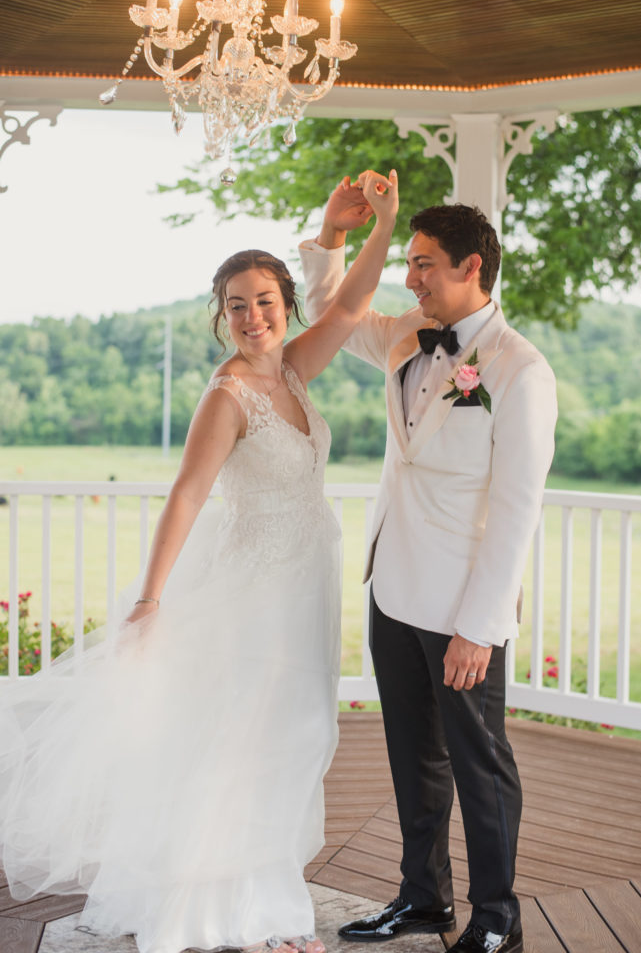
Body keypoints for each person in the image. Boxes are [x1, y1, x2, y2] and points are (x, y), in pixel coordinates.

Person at [0, 169, 398, 953]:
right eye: (238, 305)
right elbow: (185, 496)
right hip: (252, 597)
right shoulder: (230, 395)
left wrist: (369, 226)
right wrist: (148, 601)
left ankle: (268, 904)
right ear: (224, 317)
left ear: (285, 307)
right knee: (251, 745)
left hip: (302, 591)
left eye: (266, 301)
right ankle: (236, 916)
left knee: (296, 738)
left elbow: (350, 305)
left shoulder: (290, 372)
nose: (253, 317)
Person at [299, 185, 557, 953]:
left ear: (473, 267)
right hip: (394, 590)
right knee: (413, 757)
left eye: (423, 266)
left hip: (461, 608)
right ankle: (423, 900)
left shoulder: (520, 371)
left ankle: (498, 918)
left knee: (480, 766)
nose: (410, 279)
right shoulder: (412, 334)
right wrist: (331, 236)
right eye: (409, 263)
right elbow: (334, 317)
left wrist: (480, 628)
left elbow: (517, 511)